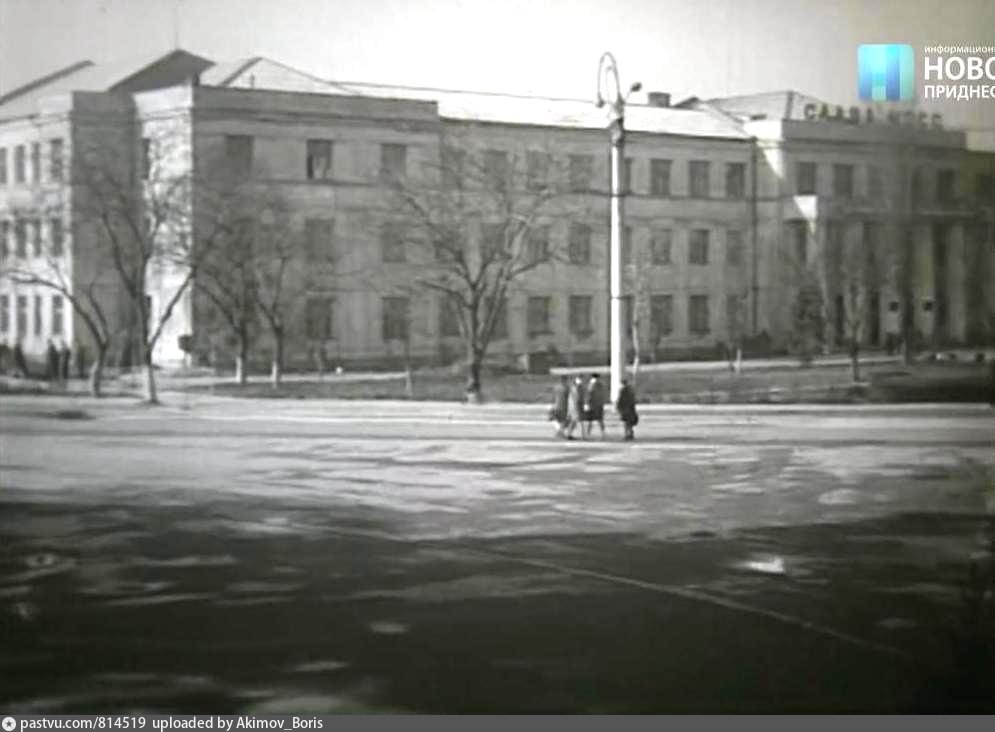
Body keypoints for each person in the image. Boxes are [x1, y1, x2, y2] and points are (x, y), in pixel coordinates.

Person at [583, 373, 606, 439]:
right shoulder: (598, 385)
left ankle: (588, 433)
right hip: (597, 405)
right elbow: (589, 395)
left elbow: (588, 395)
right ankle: (602, 433)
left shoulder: (592, 384)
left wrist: (586, 404)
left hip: (594, 405)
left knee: (591, 420)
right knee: (598, 420)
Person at [565, 374, 586, 440]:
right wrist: (582, 406)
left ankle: (568, 434)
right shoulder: (576, 388)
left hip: (573, 407)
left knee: (574, 421)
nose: (582, 381)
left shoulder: (575, 387)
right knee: (580, 421)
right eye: (581, 379)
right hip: (575, 407)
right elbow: (578, 398)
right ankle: (583, 436)